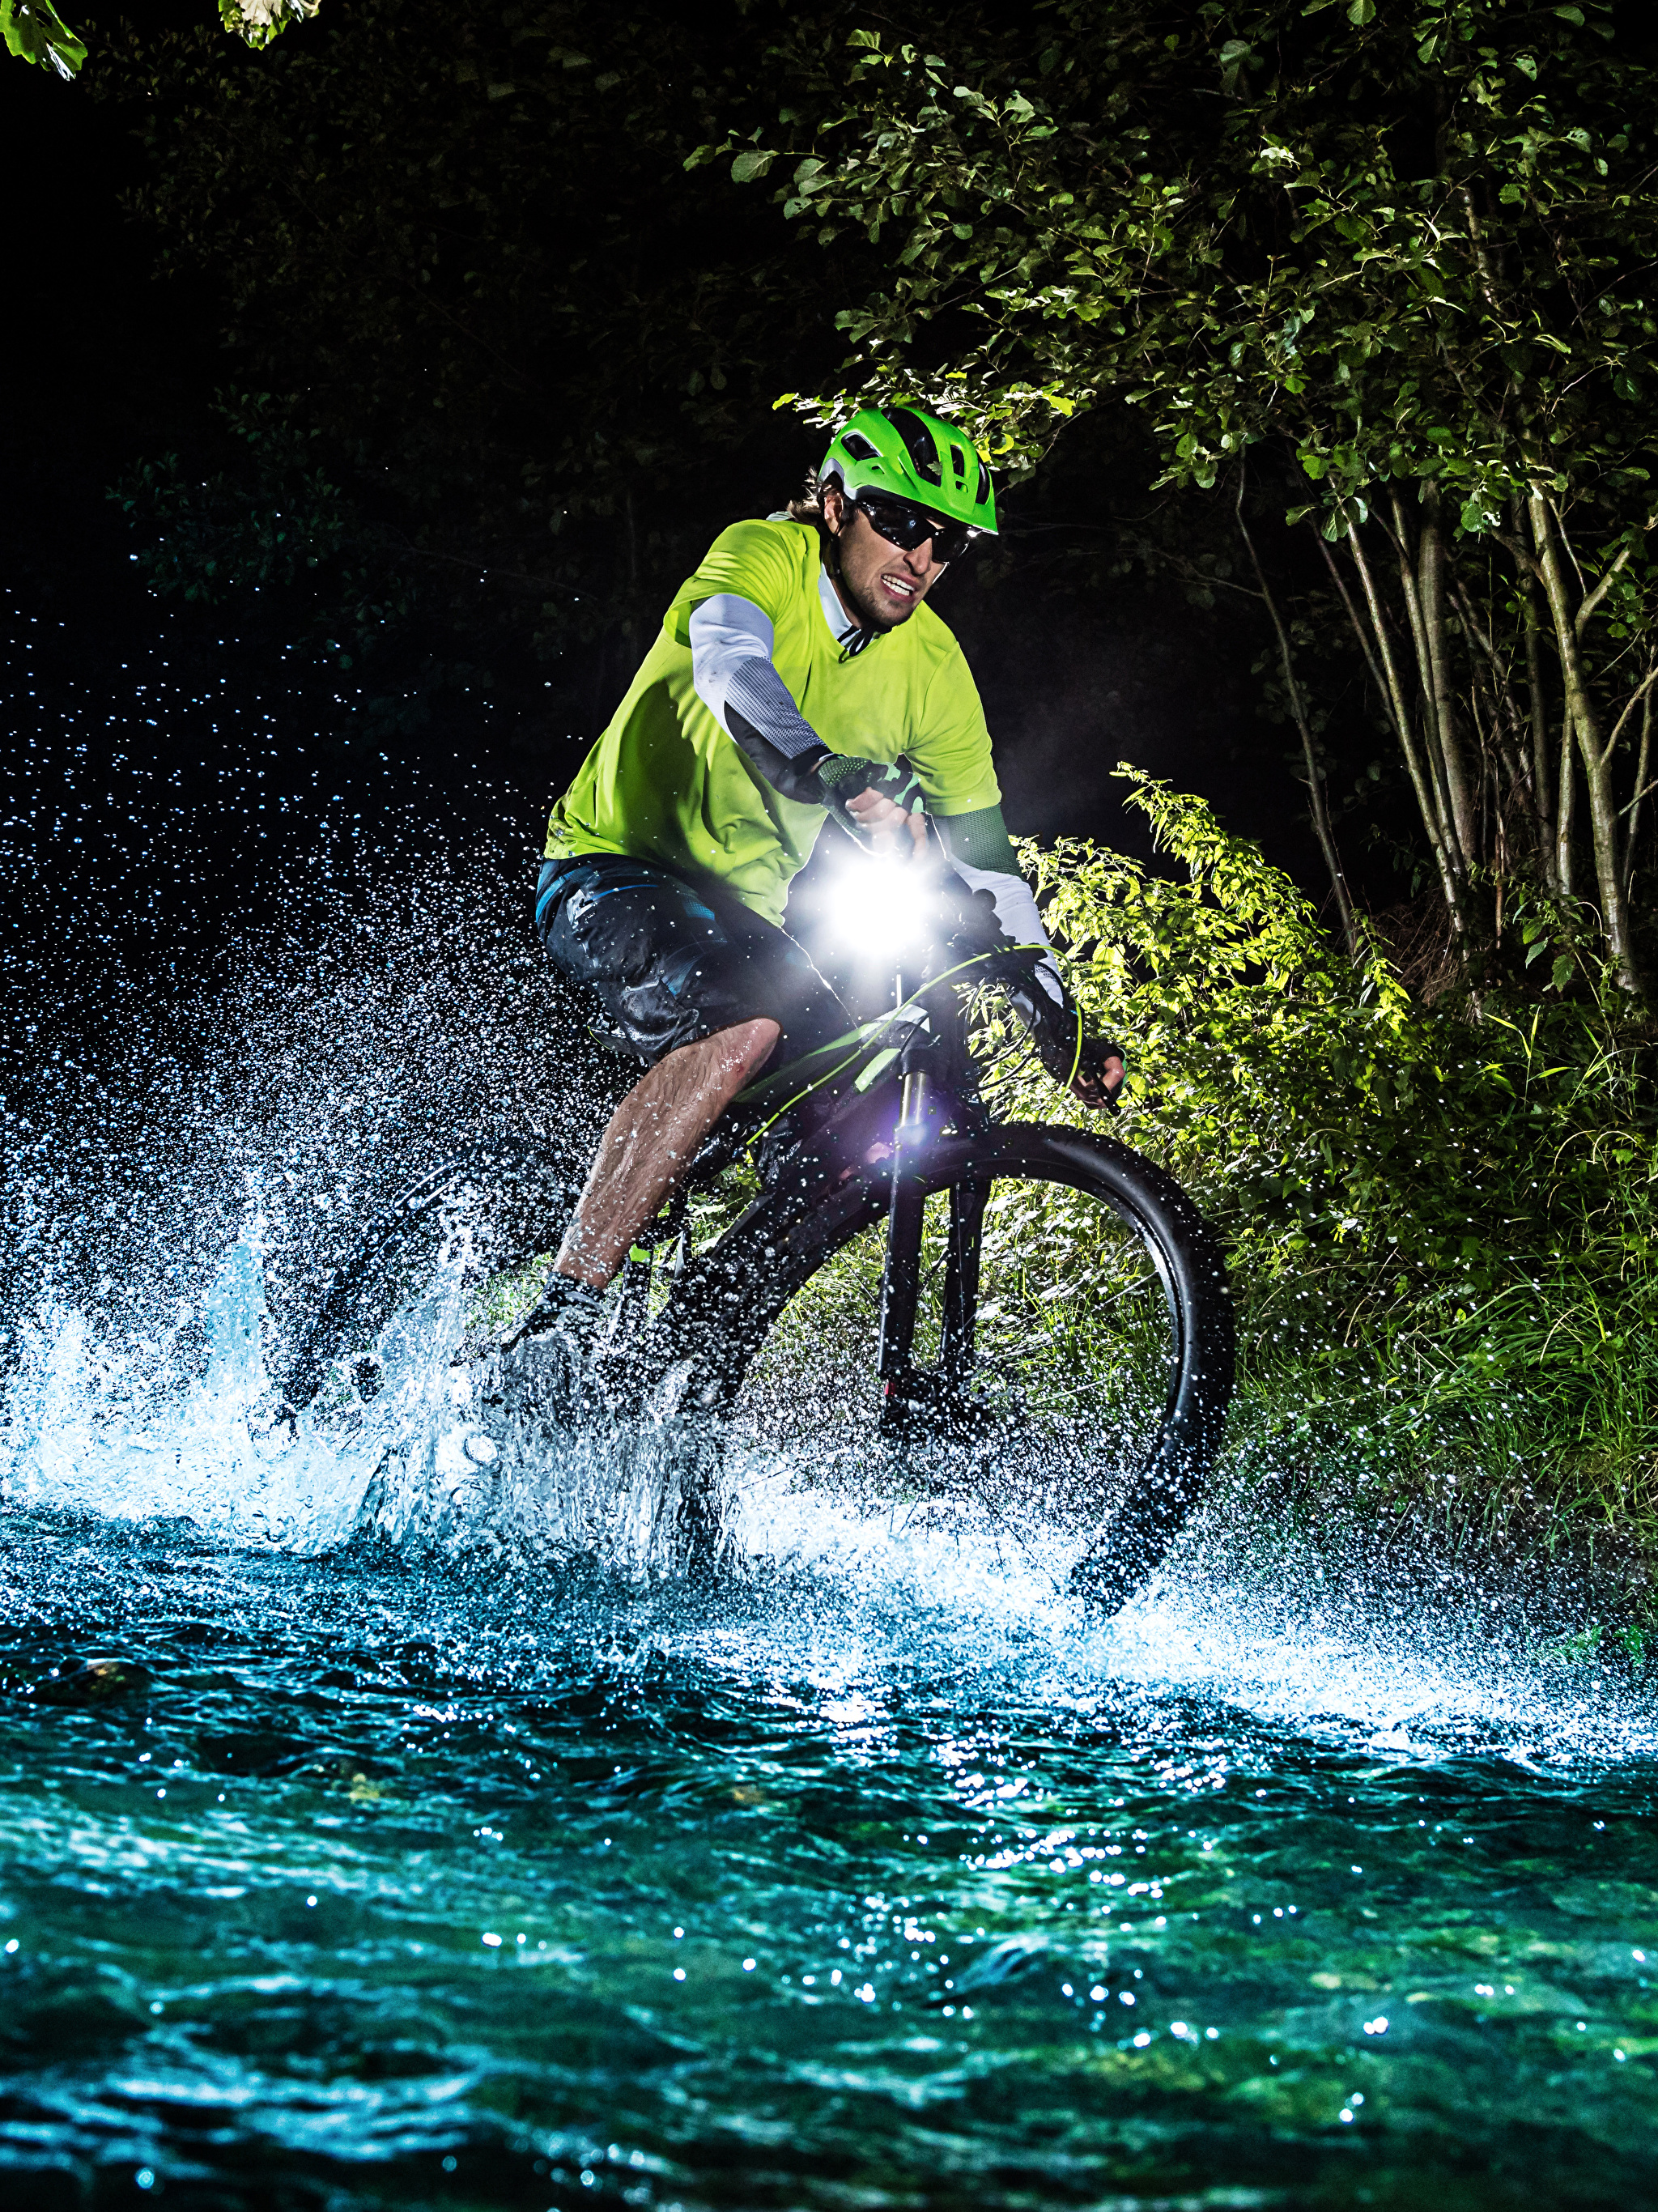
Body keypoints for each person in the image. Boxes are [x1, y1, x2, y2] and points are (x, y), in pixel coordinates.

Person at [525, 402, 1123, 1344]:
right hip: (611, 864)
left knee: (859, 1114)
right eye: (902, 521)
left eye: (947, 544)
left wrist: (1055, 1002)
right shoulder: (763, 554)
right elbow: (729, 666)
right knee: (741, 1021)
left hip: (742, 908)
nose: (921, 557)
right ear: (837, 506)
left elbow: (984, 857)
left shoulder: (933, 667)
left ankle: (698, 1353)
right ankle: (562, 1322)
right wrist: (819, 765)